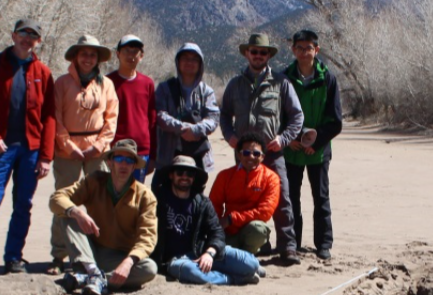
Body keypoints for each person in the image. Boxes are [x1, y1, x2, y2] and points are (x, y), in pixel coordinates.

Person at [0, 18, 57, 282]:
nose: (27, 39)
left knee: (23, 205)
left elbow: (49, 117)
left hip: (30, 149)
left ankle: (14, 257)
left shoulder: (43, 72)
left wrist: (46, 156)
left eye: (33, 36)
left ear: (38, 41)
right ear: (13, 35)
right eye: (23, 34)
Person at [219, 33, 304, 263]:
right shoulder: (235, 84)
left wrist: (284, 138)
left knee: (283, 199)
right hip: (244, 155)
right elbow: (225, 115)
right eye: (254, 51)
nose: (258, 56)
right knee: (246, 200)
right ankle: (258, 245)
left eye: (262, 52)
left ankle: (288, 247)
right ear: (247, 53)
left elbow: (297, 116)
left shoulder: (281, 83)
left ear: (269, 55)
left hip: (272, 153)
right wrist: (229, 136)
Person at [48, 138, 158, 295]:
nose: (123, 165)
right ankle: (93, 272)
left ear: (134, 166)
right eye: (119, 159)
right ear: (110, 162)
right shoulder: (94, 181)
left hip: (118, 257)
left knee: (149, 269)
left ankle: (88, 278)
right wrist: (77, 212)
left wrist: (128, 262)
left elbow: (147, 237)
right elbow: (56, 199)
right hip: (88, 249)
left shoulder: (145, 195)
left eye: (129, 160)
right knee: (67, 213)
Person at [48, 33, 120, 271]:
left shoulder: (106, 85)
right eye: (84, 53)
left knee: (98, 202)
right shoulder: (61, 83)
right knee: (64, 201)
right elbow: (55, 118)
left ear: (98, 59)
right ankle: (59, 255)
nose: (88, 58)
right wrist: (68, 146)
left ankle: (94, 252)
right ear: (76, 56)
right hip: (66, 151)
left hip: (97, 152)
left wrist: (98, 146)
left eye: (92, 54)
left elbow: (111, 119)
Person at [152, 155, 265, 285]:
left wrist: (209, 253)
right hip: (176, 260)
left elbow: (216, 231)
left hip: (201, 251)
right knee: (191, 272)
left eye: (189, 173)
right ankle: (235, 278)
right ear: (171, 175)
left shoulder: (202, 202)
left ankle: (251, 268)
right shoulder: (157, 200)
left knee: (250, 263)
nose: (184, 176)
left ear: (194, 178)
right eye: (180, 172)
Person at [281, 29, 344, 260]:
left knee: (321, 197)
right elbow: (278, 116)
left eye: (308, 48)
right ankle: (293, 243)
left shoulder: (327, 79)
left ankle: (324, 244)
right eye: (299, 47)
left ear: (316, 50)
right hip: (293, 150)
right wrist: (291, 139)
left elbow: (336, 121)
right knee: (291, 198)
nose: (304, 52)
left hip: (318, 151)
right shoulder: (284, 77)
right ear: (293, 49)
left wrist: (316, 143)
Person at [208, 131, 280, 255]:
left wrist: (232, 218)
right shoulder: (225, 176)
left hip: (250, 232)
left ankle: (247, 257)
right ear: (239, 155)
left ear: (263, 157)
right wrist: (215, 229)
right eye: (246, 153)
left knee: (258, 229)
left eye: (256, 153)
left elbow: (265, 212)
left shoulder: (271, 178)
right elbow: (214, 205)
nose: (251, 157)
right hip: (227, 232)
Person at [153, 42, 220, 173]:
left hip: (198, 155)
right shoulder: (165, 88)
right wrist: (182, 128)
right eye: (185, 58)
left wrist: (195, 129)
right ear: (178, 62)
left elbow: (213, 119)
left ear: (200, 64)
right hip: (168, 154)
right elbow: (159, 114)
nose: (190, 62)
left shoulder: (206, 91)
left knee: (195, 192)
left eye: (194, 59)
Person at [110, 34, 157, 182]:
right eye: (126, 51)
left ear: (141, 56)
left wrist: (153, 155)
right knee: (112, 198)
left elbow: (152, 120)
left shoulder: (147, 83)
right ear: (118, 54)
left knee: (135, 198)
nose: (131, 56)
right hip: (115, 150)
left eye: (135, 52)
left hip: (140, 151)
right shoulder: (108, 82)